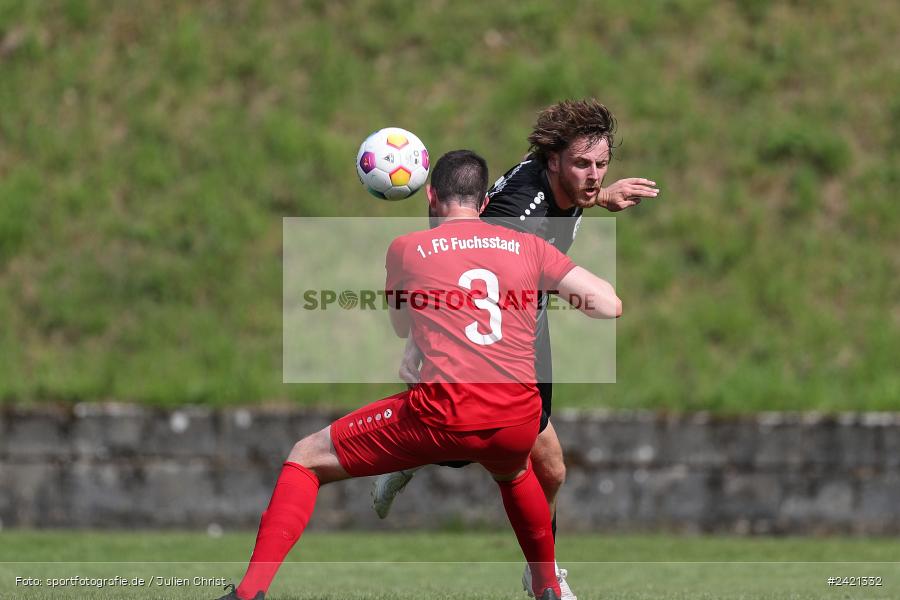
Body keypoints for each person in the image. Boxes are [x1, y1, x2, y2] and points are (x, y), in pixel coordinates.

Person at [217, 150, 622, 600]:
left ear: (430, 195)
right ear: (484, 202)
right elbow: (608, 304)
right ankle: (547, 588)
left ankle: (247, 594)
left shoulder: (406, 249)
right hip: (518, 419)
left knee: (305, 458)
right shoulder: (529, 247)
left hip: (444, 414)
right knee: (513, 473)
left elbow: (400, 326)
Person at [372, 99, 658, 600]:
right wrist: (417, 344)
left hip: (528, 313)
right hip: (501, 326)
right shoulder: (518, 216)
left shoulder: (560, 180)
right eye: (582, 165)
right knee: (474, 440)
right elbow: (457, 273)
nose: (593, 176)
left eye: (600, 165)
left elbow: (569, 198)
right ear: (551, 162)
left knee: (550, 468)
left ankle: (540, 571)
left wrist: (601, 196)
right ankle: (408, 448)